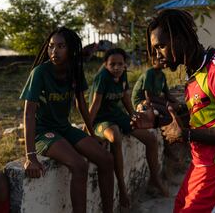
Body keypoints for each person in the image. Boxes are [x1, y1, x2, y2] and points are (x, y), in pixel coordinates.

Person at [133, 9, 215, 213]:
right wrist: (158, 121)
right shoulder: (194, 74)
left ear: (178, 39)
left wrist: (186, 135)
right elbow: (203, 119)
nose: (157, 55)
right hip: (199, 167)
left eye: (161, 46)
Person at [20, 27, 114, 213]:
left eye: (61, 46)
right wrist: (30, 156)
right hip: (43, 132)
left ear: (71, 49)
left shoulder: (74, 70)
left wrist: (91, 132)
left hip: (64, 127)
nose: (54, 51)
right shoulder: (40, 73)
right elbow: (29, 114)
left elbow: (81, 104)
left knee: (106, 159)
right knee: (79, 164)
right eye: (51, 46)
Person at [88, 48, 168, 209]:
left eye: (120, 64)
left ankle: (154, 178)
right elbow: (94, 106)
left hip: (118, 116)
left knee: (150, 139)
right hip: (101, 120)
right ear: (105, 64)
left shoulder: (122, 75)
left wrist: (133, 116)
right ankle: (122, 189)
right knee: (115, 136)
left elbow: (125, 98)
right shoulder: (102, 78)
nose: (116, 67)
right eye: (112, 64)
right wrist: (88, 133)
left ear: (125, 65)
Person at [131, 56, 181, 127]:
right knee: (167, 111)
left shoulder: (162, 75)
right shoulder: (149, 74)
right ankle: (162, 129)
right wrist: (167, 103)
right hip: (142, 101)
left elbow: (167, 94)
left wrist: (177, 102)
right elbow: (149, 97)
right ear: (154, 61)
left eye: (164, 58)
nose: (164, 60)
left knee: (176, 107)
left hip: (153, 100)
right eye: (161, 60)